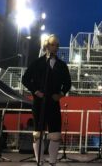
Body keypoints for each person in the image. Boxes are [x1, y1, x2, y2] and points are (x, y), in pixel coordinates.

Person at [22, 34, 71, 166]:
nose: (55, 47)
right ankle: (40, 161)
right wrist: (36, 91)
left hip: (53, 102)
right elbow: (25, 79)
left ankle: (53, 161)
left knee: (55, 133)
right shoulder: (37, 63)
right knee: (38, 133)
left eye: (57, 45)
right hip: (39, 102)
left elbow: (68, 83)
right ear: (47, 46)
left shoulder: (61, 65)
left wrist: (60, 94)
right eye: (53, 44)